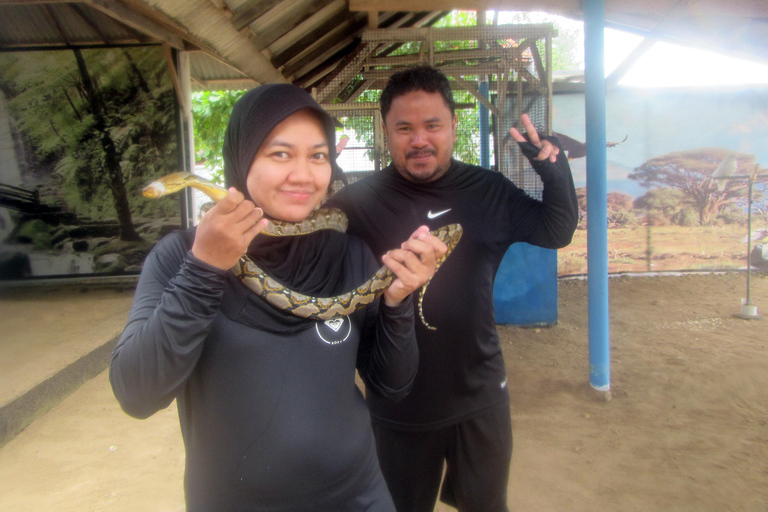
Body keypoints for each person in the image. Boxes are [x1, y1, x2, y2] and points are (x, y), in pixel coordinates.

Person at [110, 83, 447, 512]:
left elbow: (391, 385)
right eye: (280, 154)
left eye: (318, 155)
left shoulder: (349, 256)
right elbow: (136, 393)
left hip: (358, 499)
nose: (304, 175)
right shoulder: (182, 257)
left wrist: (397, 302)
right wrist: (204, 269)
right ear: (242, 157)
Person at [325, 66, 578, 512]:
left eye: (432, 125)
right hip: (398, 405)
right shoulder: (357, 204)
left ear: (452, 126)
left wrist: (551, 170)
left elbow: (556, 230)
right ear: (386, 132)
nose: (419, 139)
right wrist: (314, 183)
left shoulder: (488, 190)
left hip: (479, 393)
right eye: (404, 128)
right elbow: (310, 261)